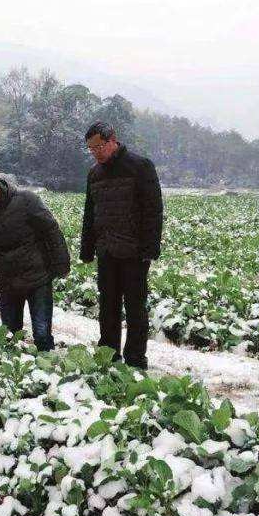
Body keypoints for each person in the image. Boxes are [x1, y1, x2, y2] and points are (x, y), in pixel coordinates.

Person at [80, 120, 163, 369]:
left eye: (99, 147)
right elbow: (90, 213)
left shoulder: (140, 166)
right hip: (106, 251)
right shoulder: (94, 174)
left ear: (112, 140)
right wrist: (87, 248)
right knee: (108, 306)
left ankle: (136, 359)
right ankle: (109, 356)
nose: (96, 153)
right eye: (91, 149)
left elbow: (153, 210)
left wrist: (150, 248)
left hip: (134, 252)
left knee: (136, 308)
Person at [0, 170, 70, 351]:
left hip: (38, 276)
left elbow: (51, 231)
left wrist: (62, 265)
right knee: (9, 334)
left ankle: (46, 367)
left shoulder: (26, 200)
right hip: (7, 280)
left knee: (42, 332)